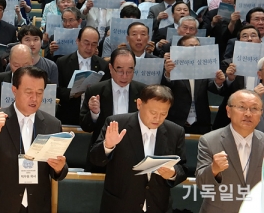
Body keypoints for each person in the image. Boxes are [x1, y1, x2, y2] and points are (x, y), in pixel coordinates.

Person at [0, 66, 68, 213]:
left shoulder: (52, 124)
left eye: (39, 92)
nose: (34, 98)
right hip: (1, 204)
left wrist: (59, 168)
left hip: (38, 205)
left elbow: (59, 172)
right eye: (29, 92)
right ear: (14, 90)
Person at [89, 85, 188, 213]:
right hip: (120, 206)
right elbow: (95, 159)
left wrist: (173, 173)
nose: (157, 118)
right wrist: (108, 146)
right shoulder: (116, 124)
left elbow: (183, 169)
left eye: (163, 113)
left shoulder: (175, 132)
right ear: (140, 104)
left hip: (158, 206)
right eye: (153, 112)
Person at [196, 89, 264, 213]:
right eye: (242, 107)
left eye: (254, 109)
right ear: (228, 111)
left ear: (261, 114)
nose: (248, 114)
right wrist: (214, 169)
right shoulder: (209, 140)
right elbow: (201, 183)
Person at [80, 48, 147, 170]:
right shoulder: (95, 91)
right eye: (120, 71)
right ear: (110, 68)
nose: (125, 76)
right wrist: (94, 114)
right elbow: (86, 127)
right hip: (102, 157)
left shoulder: (144, 92)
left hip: (133, 158)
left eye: (129, 71)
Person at [162, 35, 226, 134]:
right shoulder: (170, 66)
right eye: (191, 46)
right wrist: (168, 74)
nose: (195, 49)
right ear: (180, 50)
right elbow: (164, 89)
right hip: (176, 122)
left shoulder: (205, 65)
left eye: (197, 46)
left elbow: (212, 87)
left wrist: (218, 82)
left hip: (201, 122)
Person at [56, 26, 110, 125]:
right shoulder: (62, 62)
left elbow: (106, 92)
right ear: (78, 41)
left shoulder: (103, 65)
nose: (89, 48)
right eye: (86, 43)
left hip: (94, 116)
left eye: (94, 44)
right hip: (69, 114)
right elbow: (57, 90)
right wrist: (72, 93)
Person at [0, 44, 34, 121]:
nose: (21, 70)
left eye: (26, 65)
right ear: (9, 62)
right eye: (16, 65)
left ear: (32, 62)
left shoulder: (44, 83)